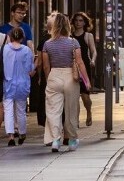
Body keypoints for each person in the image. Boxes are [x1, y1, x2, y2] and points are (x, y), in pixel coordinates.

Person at [43, 13, 90, 153]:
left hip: (54, 76)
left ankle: (55, 140)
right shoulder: (73, 42)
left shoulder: (47, 44)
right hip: (70, 76)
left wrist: (48, 79)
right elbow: (80, 62)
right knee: (71, 110)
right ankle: (72, 140)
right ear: (68, 25)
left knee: (53, 110)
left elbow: (46, 66)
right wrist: (86, 81)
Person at [3, 27, 34, 145]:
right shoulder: (26, 50)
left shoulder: (5, 49)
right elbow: (30, 69)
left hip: (8, 83)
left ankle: (10, 136)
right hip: (22, 83)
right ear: (22, 38)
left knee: (8, 110)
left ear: (10, 37)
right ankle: (22, 133)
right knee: (21, 109)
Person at [71, 12, 97, 126]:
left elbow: (93, 50)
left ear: (85, 22)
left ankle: (89, 112)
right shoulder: (70, 36)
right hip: (73, 67)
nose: (78, 23)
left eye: (81, 20)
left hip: (85, 66)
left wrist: (93, 60)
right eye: (76, 20)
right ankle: (75, 120)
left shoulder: (88, 36)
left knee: (85, 95)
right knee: (74, 95)